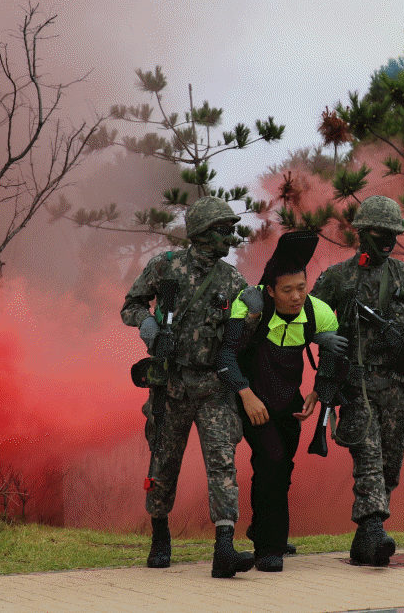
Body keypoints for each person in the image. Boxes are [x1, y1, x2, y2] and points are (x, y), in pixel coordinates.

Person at [121, 196, 255, 578]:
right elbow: (131, 305)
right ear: (200, 232)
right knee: (163, 463)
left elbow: (242, 340)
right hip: (172, 383)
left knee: (222, 464)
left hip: (214, 385)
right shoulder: (166, 266)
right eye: (221, 229)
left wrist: (253, 315)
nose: (229, 236)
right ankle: (160, 535)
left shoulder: (233, 280)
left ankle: (225, 546)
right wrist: (148, 327)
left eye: (231, 229)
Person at [309, 195, 404, 567]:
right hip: (356, 386)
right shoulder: (336, 278)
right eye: (381, 233)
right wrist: (322, 337)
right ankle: (374, 529)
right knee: (368, 456)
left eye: (393, 234)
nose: (388, 240)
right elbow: (305, 318)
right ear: (363, 232)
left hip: (397, 387)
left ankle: (366, 538)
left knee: (390, 462)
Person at [215, 230, 347, 573]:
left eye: (302, 288)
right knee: (271, 460)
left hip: (288, 399)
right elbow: (225, 354)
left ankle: (263, 530)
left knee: (282, 466)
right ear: (270, 290)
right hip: (252, 397)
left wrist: (317, 393)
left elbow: (331, 359)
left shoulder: (319, 313)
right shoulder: (250, 306)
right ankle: (269, 549)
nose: (296, 296)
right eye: (287, 290)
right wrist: (245, 396)